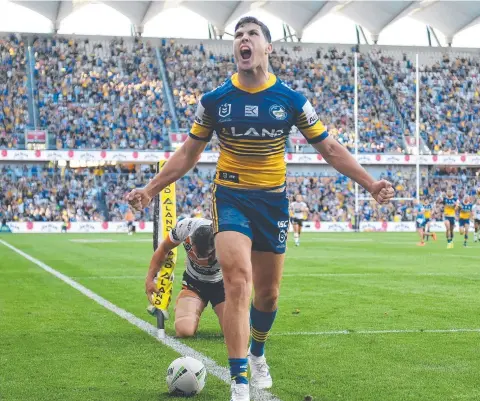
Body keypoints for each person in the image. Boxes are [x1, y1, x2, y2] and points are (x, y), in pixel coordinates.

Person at [126, 16, 394, 401]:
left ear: (269, 48)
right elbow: (188, 152)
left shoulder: (291, 101)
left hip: (273, 201)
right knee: (238, 280)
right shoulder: (215, 101)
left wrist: (370, 184)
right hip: (230, 196)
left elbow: (331, 149)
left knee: (267, 295)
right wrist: (151, 189)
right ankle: (239, 384)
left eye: (251, 35)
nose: (243, 40)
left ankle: (257, 353)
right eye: (238, 36)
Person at [145, 218, 224, 338]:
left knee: (234, 331)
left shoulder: (228, 239)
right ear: (191, 242)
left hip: (222, 284)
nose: (200, 260)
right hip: (194, 283)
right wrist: (150, 279)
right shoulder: (185, 228)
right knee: (184, 331)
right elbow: (163, 249)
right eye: (197, 254)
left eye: (206, 257)